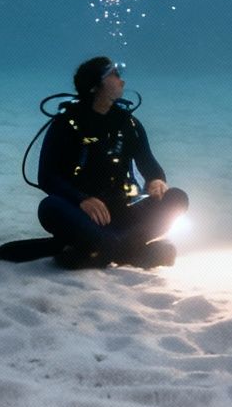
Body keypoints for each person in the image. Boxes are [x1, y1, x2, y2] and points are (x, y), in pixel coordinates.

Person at [36, 56, 189, 269]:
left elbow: (149, 165)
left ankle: (102, 250)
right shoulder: (66, 123)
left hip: (123, 211)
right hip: (83, 215)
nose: (122, 81)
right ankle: (129, 250)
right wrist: (82, 199)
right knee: (49, 206)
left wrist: (156, 181)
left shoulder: (128, 124)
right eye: (115, 75)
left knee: (177, 198)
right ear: (94, 86)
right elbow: (46, 177)